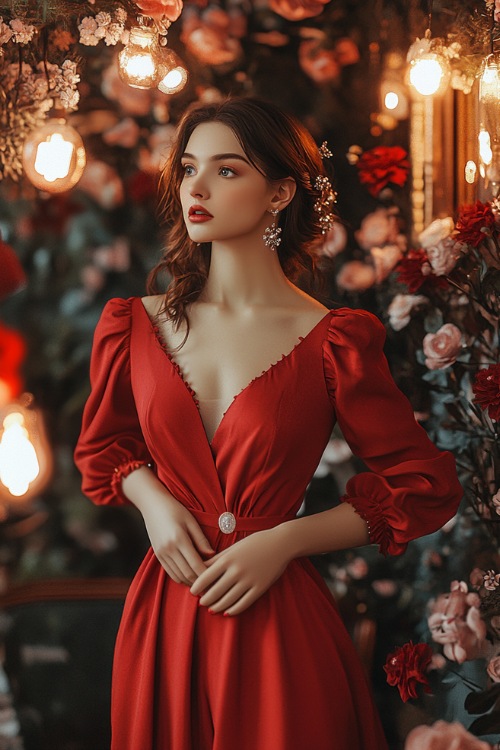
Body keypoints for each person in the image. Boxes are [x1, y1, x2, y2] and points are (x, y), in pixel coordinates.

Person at [74, 96, 463, 750]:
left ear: (280, 191)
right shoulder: (132, 326)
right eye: (190, 168)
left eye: (226, 171)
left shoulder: (333, 339)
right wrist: (155, 505)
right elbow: (105, 448)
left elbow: (426, 485)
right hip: (165, 616)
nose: (196, 187)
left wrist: (285, 540)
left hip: (280, 624)